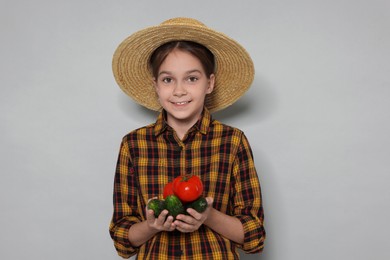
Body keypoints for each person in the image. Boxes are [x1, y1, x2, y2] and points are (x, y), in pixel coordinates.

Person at [109, 17, 266, 259]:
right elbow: (122, 240)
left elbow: (254, 237)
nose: (179, 90)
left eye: (192, 78)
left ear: (209, 83)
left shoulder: (232, 141)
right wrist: (151, 226)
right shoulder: (134, 144)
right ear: (156, 85)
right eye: (167, 79)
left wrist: (209, 216)